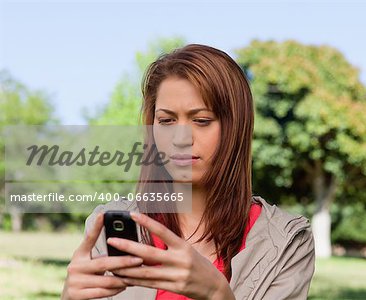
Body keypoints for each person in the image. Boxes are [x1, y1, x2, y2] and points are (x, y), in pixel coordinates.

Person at [61, 44, 315, 300]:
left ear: (236, 128)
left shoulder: (287, 242)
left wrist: (218, 294)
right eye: (166, 121)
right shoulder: (111, 227)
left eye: (201, 120)